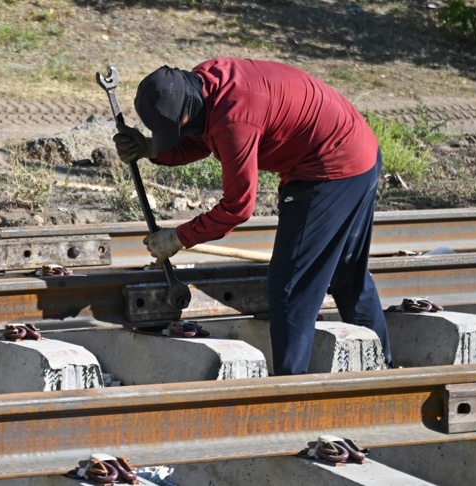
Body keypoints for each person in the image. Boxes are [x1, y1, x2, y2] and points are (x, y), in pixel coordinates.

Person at [114, 57, 392, 374]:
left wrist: (178, 237)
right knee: (346, 275)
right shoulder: (207, 81)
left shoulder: (235, 122)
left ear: (188, 112)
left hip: (330, 169)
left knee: (291, 286)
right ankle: (382, 369)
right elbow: (203, 139)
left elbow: (238, 207)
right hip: (358, 151)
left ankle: (288, 388)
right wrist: (150, 148)